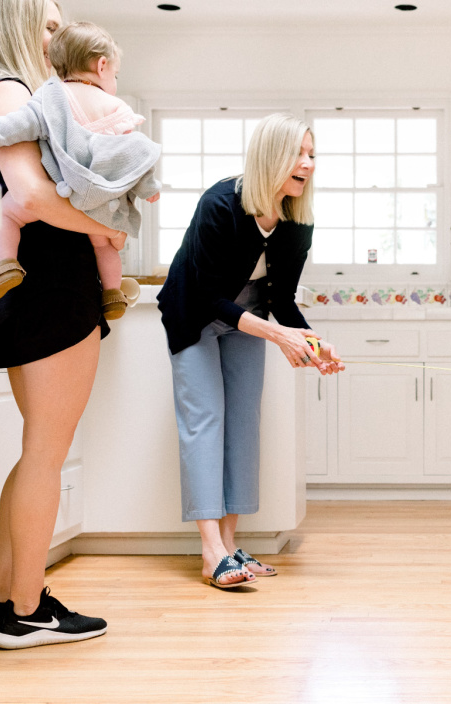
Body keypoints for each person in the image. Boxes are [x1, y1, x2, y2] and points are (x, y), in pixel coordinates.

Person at [0, 0, 115, 648]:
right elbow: (34, 196)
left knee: (37, 450)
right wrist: (106, 228)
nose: (57, 39)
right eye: (48, 26)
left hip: (27, 290)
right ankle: (28, 608)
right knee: (47, 452)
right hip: (51, 291)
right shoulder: (8, 90)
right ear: (12, 21)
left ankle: (3, 599)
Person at [158, 113, 344, 590]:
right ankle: (210, 553)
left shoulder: (296, 221)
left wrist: (312, 342)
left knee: (243, 423)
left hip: (250, 315)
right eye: (298, 153)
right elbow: (205, 295)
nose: (308, 163)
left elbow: (283, 299)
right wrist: (280, 337)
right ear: (270, 157)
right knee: (205, 421)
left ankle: (229, 546)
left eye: (312, 154)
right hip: (195, 312)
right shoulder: (220, 204)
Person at [0, 20, 161, 321]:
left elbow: (20, 124)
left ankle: (6, 264)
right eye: (115, 74)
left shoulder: (50, 98)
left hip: (60, 190)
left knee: (6, 213)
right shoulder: (117, 108)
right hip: (101, 199)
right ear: (102, 65)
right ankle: (112, 292)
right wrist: (149, 188)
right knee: (104, 245)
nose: (115, 80)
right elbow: (130, 155)